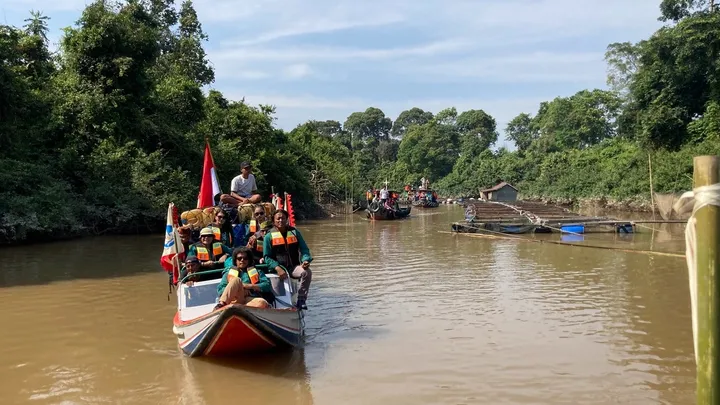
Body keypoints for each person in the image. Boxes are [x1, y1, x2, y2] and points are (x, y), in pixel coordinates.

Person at [263, 209, 312, 310]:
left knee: (307, 272)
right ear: (273, 221)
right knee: (277, 296)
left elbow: (304, 250)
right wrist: (277, 267)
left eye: (283, 218)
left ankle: (301, 299)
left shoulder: (295, 233)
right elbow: (267, 257)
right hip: (276, 271)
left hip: (293, 267)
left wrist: (305, 260)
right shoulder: (268, 237)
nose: (281, 221)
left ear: (287, 219)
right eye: (278, 219)